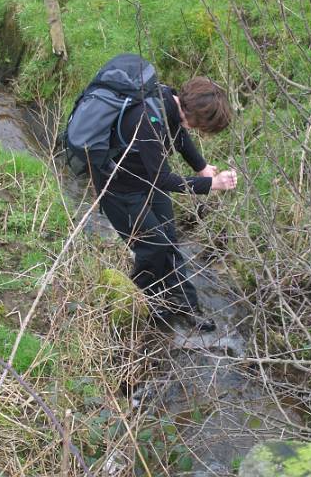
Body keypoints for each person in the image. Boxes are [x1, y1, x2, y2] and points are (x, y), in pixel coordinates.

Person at [91, 76, 237, 331]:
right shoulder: (149, 117)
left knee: (169, 239)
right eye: (202, 126)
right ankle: (138, 300)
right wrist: (212, 184)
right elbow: (163, 178)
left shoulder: (170, 104)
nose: (199, 131)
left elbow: (179, 137)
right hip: (118, 186)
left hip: (145, 176)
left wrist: (201, 167)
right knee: (153, 246)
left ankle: (186, 304)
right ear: (194, 114)